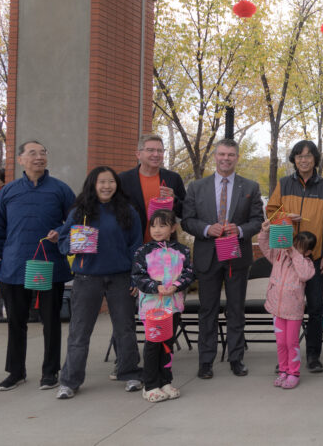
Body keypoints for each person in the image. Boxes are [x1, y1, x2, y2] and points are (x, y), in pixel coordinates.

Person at [0, 140, 74, 392]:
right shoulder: (8, 192)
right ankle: (15, 372)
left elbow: (77, 220)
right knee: (15, 321)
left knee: (51, 321)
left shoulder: (60, 189)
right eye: (32, 153)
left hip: (49, 264)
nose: (39, 157)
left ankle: (50, 372)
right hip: (14, 265)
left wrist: (61, 232)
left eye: (43, 153)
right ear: (20, 159)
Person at [54, 167, 144, 399]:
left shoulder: (128, 211)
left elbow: (136, 246)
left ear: (117, 185)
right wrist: (73, 245)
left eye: (111, 181)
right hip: (87, 278)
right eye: (102, 182)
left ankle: (130, 372)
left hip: (120, 277)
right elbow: (63, 242)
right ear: (93, 184)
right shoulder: (79, 211)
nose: (106, 186)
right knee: (79, 331)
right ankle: (70, 381)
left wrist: (136, 276)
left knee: (125, 328)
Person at [182, 139, 265, 380]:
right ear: (215, 156)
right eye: (221, 154)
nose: (225, 158)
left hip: (236, 256)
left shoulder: (250, 187)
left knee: (236, 310)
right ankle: (205, 361)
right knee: (207, 310)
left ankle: (236, 359)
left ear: (237, 157)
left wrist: (238, 230)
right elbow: (187, 220)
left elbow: (257, 221)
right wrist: (207, 229)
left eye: (230, 155)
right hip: (208, 256)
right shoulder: (197, 187)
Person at [265, 140, 323, 375]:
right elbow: (271, 211)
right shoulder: (284, 184)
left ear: (315, 159)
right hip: (287, 257)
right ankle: (288, 355)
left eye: (308, 156)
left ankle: (313, 356)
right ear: (294, 160)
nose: (304, 160)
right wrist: (286, 218)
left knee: (316, 308)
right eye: (299, 156)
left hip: (313, 258)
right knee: (285, 309)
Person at [132, 209, 194, 403]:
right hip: (151, 307)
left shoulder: (182, 251)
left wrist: (176, 286)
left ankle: (165, 381)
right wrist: (156, 287)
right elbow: (138, 276)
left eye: (162, 225)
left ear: (173, 228)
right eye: (153, 226)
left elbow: (189, 273)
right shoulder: (143, 252)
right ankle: (150, 385)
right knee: (153, 344)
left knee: (167, 343)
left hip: (173, 306)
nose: (157, 230)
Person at [256, 229, 316, 389]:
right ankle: (283, 371)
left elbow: (304, 275)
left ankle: (293, 373)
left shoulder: (307, 264)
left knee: (291, 343)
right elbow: (264, 245)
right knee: (281, 343)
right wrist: (265, 231)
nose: (293, 248)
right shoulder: (279, 255)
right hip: (277, 309)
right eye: (294, 245)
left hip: (293, 312)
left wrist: (294, 253)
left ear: (308, 252)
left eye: (299, 248)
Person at [119, 134, 186, 243]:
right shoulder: (124, 179)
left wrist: (174, 200)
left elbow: (185, 212)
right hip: (132, 244)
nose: (156, 154)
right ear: (138, 154)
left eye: (160, 151)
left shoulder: (173, 178)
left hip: (165, 247)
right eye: (150, 150)